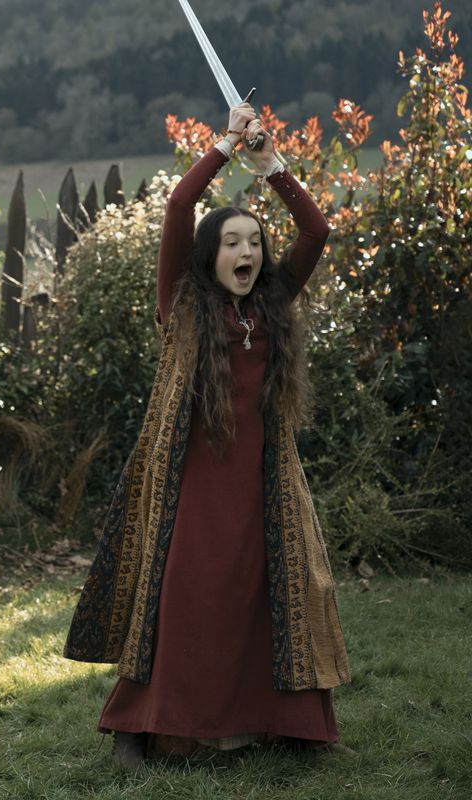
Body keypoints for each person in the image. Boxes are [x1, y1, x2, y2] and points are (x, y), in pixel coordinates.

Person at [62, 103, 350, 768]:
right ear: (209, 256)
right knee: (187, 599)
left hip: (265, 481)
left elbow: (316, 229)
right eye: (232, 242)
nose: (247, 251)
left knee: (271, 596)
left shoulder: (273, 302)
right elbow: (178, 207)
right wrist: (222, 145)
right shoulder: (182, 306)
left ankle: (281, 727)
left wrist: (269, 165)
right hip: (189, 485)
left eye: (254, 241)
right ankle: (137, 728)